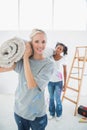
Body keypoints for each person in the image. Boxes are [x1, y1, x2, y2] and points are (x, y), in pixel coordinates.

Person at [0, 29, 54, 130]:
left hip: (37, 115)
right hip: (19, 111)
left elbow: (32, 85)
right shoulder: (22, 61)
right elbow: (3, 67)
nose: (40, 45)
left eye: (43, 42)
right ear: (30, 43)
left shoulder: (49, 64)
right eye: (36, 41)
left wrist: (25, 58)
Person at [48, 42, 68, 121]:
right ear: (55, 47)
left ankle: (59, 114)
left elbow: (65, 71)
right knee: (51, 98)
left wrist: (65, 84)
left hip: (59, 82)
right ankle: (51, 113)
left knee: (57, 99)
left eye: (60, 49)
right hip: (50, 81)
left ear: (62, 51)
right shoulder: (49, 57)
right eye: (57, 47)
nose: (58, 49)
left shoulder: (63, 59)